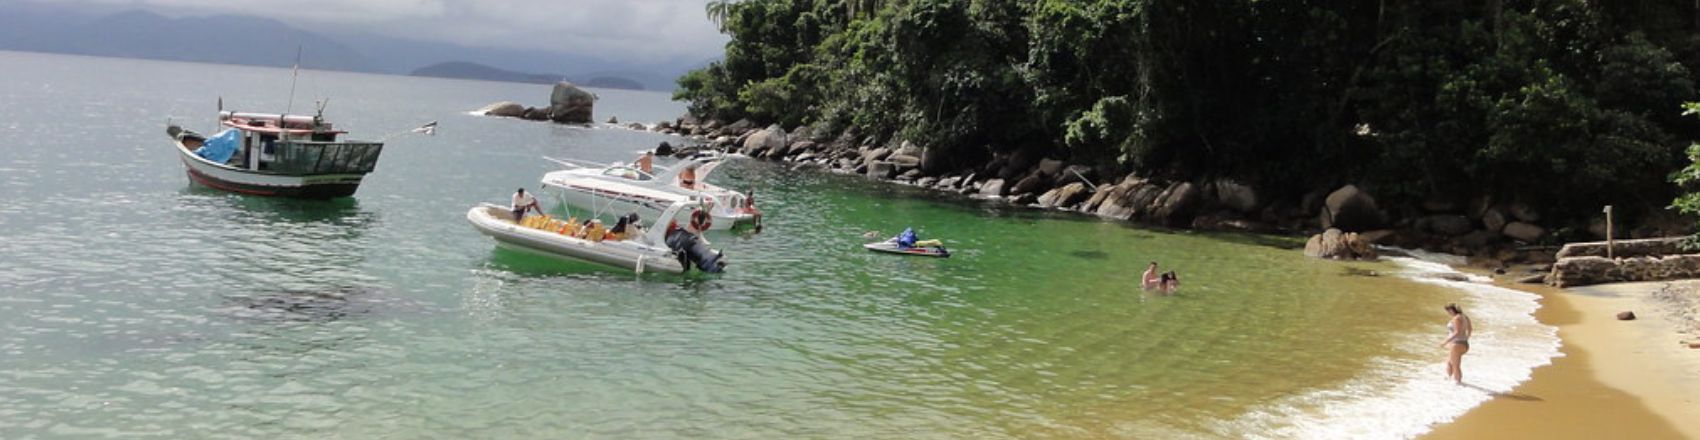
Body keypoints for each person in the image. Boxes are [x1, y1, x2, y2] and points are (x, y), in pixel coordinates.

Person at [1441, 303, 1473, 385]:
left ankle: (1457, 383)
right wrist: (1466, 338)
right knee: (1449, 362)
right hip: (1464, 344)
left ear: (1452, 310)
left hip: (1456, 344)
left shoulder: (1456, 318)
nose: (1448, 313)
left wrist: (1445, 341)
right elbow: (1470, 329)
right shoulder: (1465, 317)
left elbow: (1457, 332)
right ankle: (1449, 380)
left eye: (1448, 311)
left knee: (1455, 365)